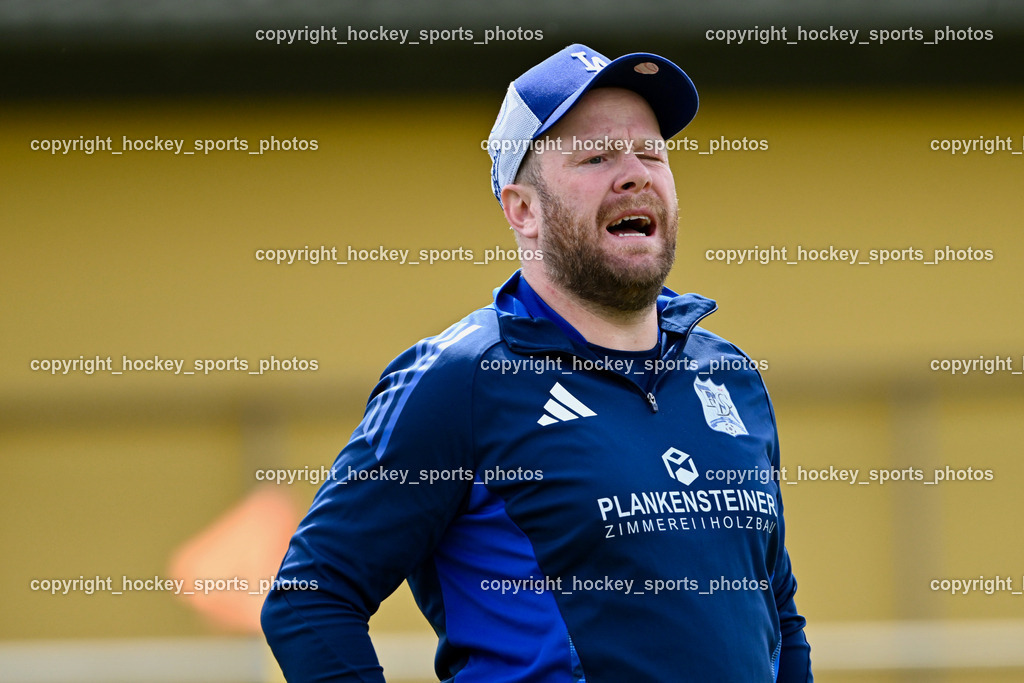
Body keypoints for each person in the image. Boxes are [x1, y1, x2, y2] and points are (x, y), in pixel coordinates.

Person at [262, 43, 813, 682]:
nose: (634, 173)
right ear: (522, 208)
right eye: (596, 156)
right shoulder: (463, 379)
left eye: (651, 152)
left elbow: (777, 611)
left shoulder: (728, 375)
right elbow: (312, 598)